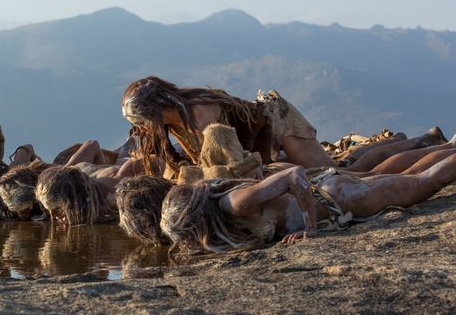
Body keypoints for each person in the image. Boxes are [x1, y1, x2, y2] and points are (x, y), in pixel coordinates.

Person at [121, 76, 447, 176]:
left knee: (344, 174)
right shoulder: (172, 124)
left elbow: (230, 165)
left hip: (278, 121)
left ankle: (423, 143)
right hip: (260, 143)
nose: (139, 129)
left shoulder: (200, 113)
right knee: (341, 167)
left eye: (139, 121)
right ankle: (417, 140)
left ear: (155, 110)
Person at [159, 150, 456, 254]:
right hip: (336, 193)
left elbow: (293, 175)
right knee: (414, 176)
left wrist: (311, 227)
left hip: (343, 199)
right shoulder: (222, 212)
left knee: (428, 181)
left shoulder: (235, 204)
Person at [35, 140, 163, 225]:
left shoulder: (113, 186)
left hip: (125, 162)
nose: (54, 218)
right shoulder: (70, 168)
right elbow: (92, 144)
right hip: (91, 171)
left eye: (58, 210)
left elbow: (152, 160)